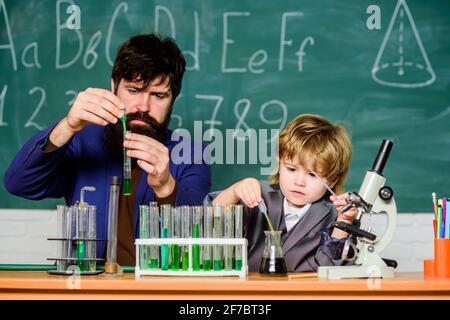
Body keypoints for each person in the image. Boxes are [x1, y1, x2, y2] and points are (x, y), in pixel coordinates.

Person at [4, 34, 211, 265]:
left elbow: (201, 242)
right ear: (114, 86)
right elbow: (19, 183)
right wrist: (68, 126)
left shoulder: (191, 154)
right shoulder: (81, 141)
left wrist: (166, 187)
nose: (143, 106)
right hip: (85, 288)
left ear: (173, 98)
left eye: (158, 95)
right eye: (133, 91)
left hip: (154, 290)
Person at [205, 114, 356, 272]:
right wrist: (234, 190)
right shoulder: (258, 195)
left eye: (312, 175)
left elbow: (331, 269)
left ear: (332, 180)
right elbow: (209, 219)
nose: (299, 181)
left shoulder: (334, 216)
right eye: (291, 169)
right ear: (279, 162)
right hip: (249, 291)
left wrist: (344, 222)